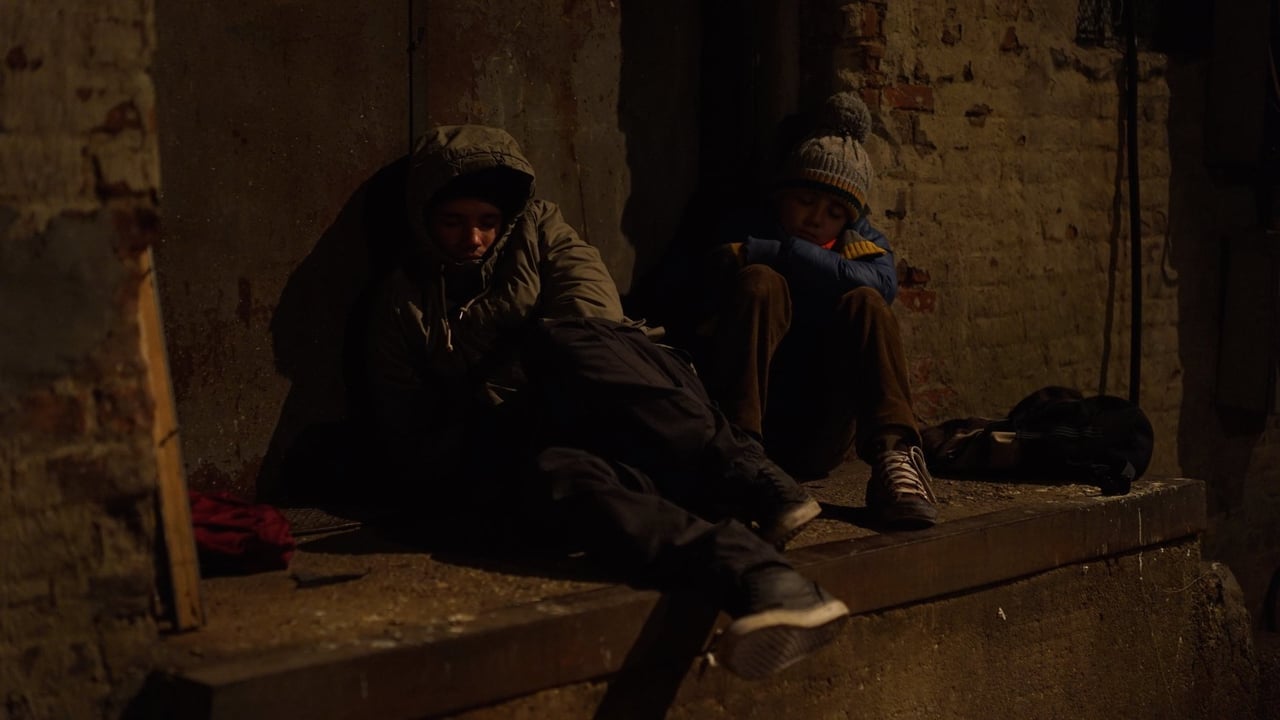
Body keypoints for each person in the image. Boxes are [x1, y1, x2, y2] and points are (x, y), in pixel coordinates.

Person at [364, 124, 849, 679]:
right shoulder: (403, 302)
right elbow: (410, 427)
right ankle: (766, 581)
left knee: (562, 341)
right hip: (537, 439)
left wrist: (509, 369)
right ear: (425, 217)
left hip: (634, 410)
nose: (472, 239)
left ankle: (755, 479)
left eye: (487, 221)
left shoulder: (543, 233)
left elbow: (593, 320)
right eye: (453, 222)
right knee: (557, 473)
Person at [697, 92, 939, 529]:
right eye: (806, 201)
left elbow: (881, 287)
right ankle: (739, 461)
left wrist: (782, 252)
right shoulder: (744, 228)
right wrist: (760, 258)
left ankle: (895, 456)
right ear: (782, 195)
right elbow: (699, 284)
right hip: (747, 427)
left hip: (820, 432)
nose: (816, 219)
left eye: (833, 212)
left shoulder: (860, 245)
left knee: (864, 301)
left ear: (849, 219)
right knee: (760, 280)